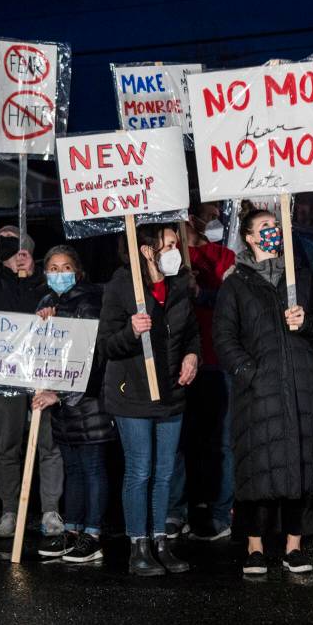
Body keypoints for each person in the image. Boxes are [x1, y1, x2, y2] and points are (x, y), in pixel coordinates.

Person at [213, 209, 313, 576]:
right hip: (259, 391)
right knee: (258, 468)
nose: (272, 232)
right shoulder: (237, 284)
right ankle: (254, 546)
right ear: (248, 238)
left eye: (275, 226)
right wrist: (249, 373)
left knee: (298, 467)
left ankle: (294, 545)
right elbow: (224, 337)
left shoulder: (302, 277)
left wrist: (307, 323)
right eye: (264, 227)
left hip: (300, 387)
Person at [97, 223, 200, 577]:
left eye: (176, 243)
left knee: (165, 471)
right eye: (168, 244)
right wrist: (131, 331)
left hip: (171, 392)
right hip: (132, 393)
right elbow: (106, 345)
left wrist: (192, 357)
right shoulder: (121, 285)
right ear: (147, 250)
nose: (175, 249)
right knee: (140, 470)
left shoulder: (179, 284)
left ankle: (160, 541)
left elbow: (191, 333)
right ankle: (137, 545)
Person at [0, 226, 65, 555]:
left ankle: (50, 510)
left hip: (42, 372)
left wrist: (35, 279)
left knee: (48, 443)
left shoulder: (47, 280)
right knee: (8, 445)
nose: (12, 246)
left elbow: (65, 315)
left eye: (17, 238)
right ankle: (9, 510)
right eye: (4, 240)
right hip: (5, 373)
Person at [31, 246, 115, 564]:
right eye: (53, 267)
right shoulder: (47, 304)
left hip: (87, 402)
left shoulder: (88, 301)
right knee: (74, 469)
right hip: (63, 406)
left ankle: (92, 535)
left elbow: (89, 358)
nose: (59, 272)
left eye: (66, 266)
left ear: (77, 271)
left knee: (92, 468)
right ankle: (73, 531)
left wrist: (62, 395)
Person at [168, 202, 237, 541]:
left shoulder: (223, 256)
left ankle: (221, 512)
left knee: (221, 443)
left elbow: (233, 302)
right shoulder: (170, 255)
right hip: (178, 362)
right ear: (189, 218)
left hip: (216, 360)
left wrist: (205, 292)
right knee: (179, 441)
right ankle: (176, 511)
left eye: (215, 216)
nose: (214, 220)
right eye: (208, 215)